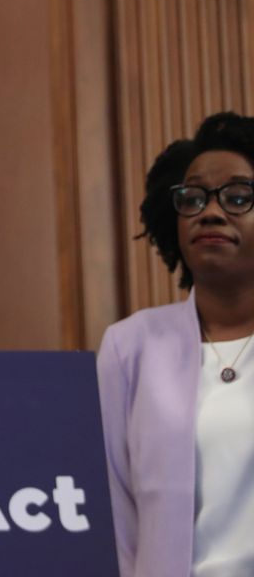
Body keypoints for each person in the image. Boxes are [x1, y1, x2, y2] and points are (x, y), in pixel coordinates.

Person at [97, 111, 254, 577]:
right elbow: (114, 518)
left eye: (238, 197)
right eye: (192, 198)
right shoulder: (130, 347)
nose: (210, 210)